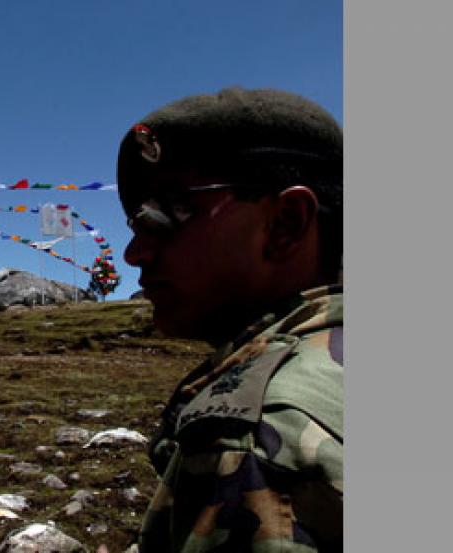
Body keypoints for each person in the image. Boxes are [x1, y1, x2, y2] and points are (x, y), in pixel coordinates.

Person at [116, 87, 342, 552]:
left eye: (164, 216)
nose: (134, 252)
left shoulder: (252, 436)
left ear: (286, 223)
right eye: (136, 225)